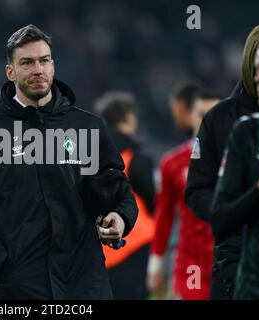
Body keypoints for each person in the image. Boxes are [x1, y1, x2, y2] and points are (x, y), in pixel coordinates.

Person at [0, 24, 138, 300]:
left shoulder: (88, 127)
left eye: (44, 60)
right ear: (10, 72)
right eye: (27, 62)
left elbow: (119, 192)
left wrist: (119, 218)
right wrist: (1, 263)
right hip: (18, 288)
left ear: (53, 65)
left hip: (84, 284)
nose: (38, 69)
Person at [185, 25, 259, 299]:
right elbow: (197, 191)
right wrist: (232, 213)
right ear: (251, 65)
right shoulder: (219, 120)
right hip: (235, 261)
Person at [210, 37, 259, 299]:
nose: (257, 78)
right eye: (256, 69)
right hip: (253, 287)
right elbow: (221, 220)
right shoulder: (245, 133)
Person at [147, 92, 220, 300]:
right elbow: (164, 216)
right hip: (192, 262)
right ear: (191, 116)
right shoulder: (173, 163)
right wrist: (156, 265)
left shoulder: (237, 160)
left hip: (228, 260)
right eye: (202, 114)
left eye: (213, 115)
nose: (207, 121)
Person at [94, 91, 155, 299]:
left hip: (100, 248)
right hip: (136, 243)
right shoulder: (136, 157)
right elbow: (152, 200)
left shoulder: (92, 156)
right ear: (130, 117)